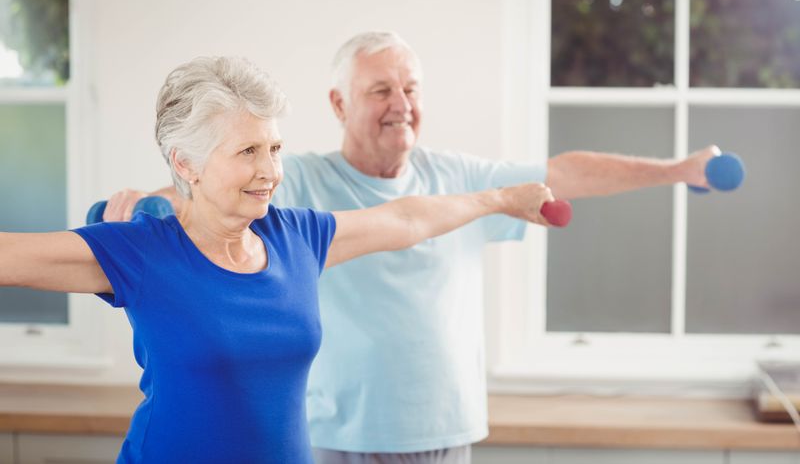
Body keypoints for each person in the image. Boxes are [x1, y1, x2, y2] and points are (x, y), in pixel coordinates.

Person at [104, 33, 718, 464]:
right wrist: (146, 201)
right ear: (340, 104)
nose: (401, 104)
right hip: (333, 433)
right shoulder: (300, 180)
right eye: (380, 90)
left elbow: (564, 171)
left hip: (441, 431)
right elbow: (209, 193)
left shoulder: (459, 177)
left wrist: (676, 169)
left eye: (411, 88)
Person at [0, 55, 558, 464]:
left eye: (274, 148)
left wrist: (502, 199)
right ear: (187, 164)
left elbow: (406, 219)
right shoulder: (143, 250)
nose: (269, 171)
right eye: (247, 151)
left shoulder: (296, 237)